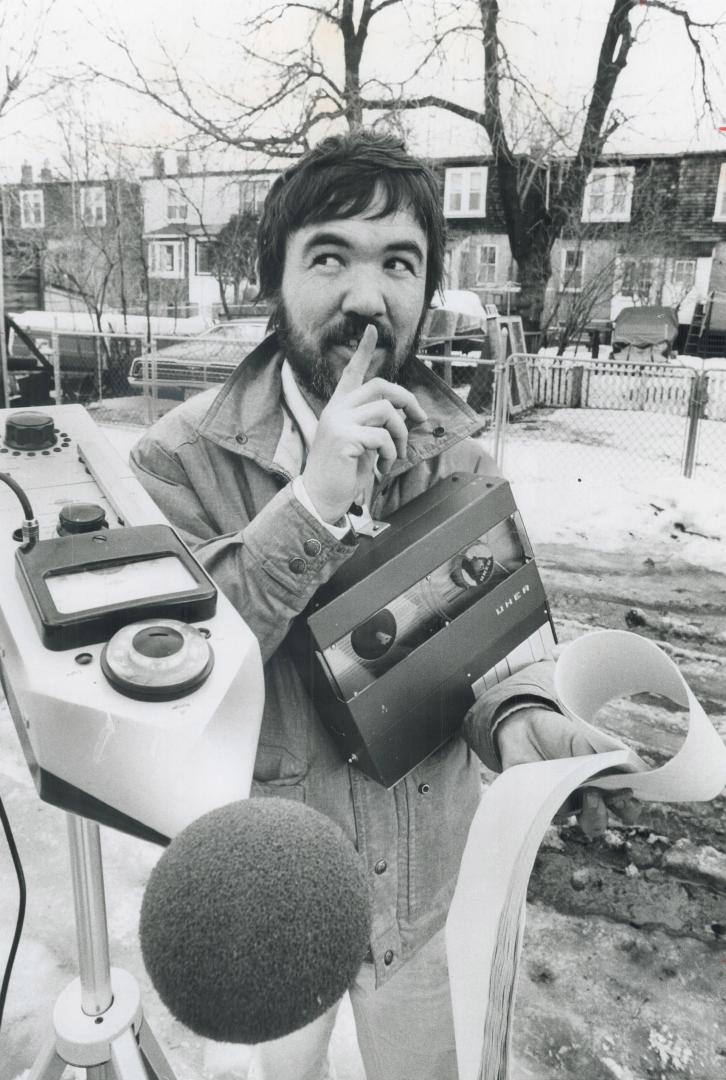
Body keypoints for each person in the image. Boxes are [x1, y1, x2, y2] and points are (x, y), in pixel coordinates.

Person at [130, 130, 638, 1080]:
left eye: (399, 262)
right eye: (329, 256)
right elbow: (178, 676)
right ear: (271, 282)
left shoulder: (460, 458)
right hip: (270, 914)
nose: (367, 296)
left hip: (431, 905)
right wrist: (312, 506)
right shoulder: (176, 461)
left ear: (425, 290)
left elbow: (496, 658)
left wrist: (524, 719)